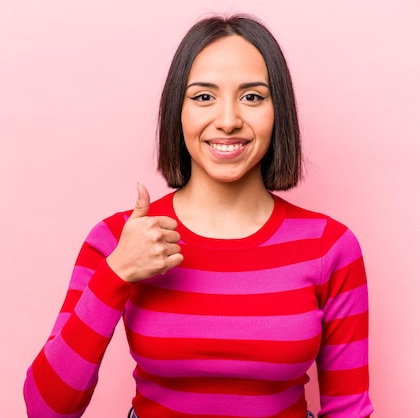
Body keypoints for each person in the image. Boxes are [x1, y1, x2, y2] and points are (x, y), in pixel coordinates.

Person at [23, 14, 373, 418]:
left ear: (279, 112)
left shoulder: (330, 246)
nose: (227, 121)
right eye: (204, 97)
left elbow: (349, 409)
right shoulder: (119, 238)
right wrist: (117, 272)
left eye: (253, 97)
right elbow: (46, 408)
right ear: (178, 111)